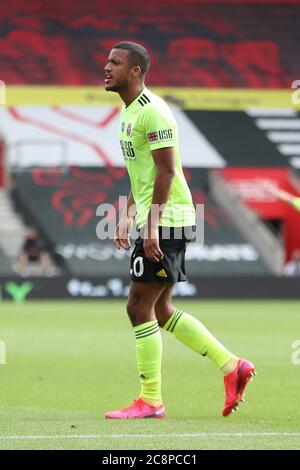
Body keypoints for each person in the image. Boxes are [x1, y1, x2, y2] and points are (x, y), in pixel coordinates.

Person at [104, 41, 255, 419]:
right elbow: (144, 174)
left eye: (115, 63)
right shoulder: (128, 114)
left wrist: (150, 226)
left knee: (138, 307)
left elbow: (168, 171)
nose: (106, 67)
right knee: (161, 308)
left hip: (167, 220)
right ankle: (232, 366)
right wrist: (128, 213)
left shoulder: (153, 111)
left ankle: (151, 400)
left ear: (135, 71)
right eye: (107, 61)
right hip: (162, 217)